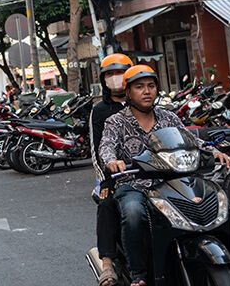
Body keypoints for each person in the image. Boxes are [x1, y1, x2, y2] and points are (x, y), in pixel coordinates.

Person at [100, 65, 230, 286]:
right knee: (133, 213)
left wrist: (215, 152)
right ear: (128, 93)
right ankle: (138, 275)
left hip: (171, 182)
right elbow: (106, 147)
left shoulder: (168, 117)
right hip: (134, 184)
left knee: (210, 202)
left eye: (151, 86)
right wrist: (112, 162)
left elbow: (191, 141)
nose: (146, 91)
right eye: (139, 87)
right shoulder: (115, 121)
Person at [87, 53, 134, 286]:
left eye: (121, 73)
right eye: (110, 74)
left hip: (152, 172)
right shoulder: (101, 111)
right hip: (113, 176)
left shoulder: (146, 105)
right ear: (103, 79)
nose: (116, 78)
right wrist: (107, 178)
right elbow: (97, 150)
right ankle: (107, 262)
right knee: (107, 203)